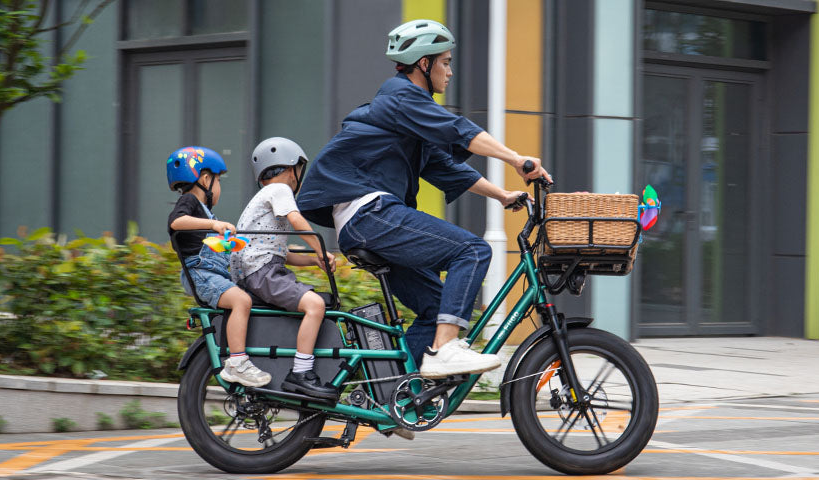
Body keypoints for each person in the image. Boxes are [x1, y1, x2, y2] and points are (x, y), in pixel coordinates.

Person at [296, 19, 552, 379]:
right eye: (445, 62)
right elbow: (457, 130)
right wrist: (517, 160)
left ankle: (399, 394)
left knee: (434, 308)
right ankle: (444, 349)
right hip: (369, 215)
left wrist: (501, 195)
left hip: (368, 223)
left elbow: (445, 167)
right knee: (473, 250)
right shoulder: (400, 97)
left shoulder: (408, 117)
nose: (449, 72)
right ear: (424, 64)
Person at [230, 137, 339, 400]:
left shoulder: (263, 196)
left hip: (259, 271)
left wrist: (314, 260)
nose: (299, 177)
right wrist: (320, 248)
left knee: (317, 301)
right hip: (263, 273)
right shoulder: (279, 190)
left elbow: (281, 253)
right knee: (315, 305)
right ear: (291, 168)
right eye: (300, 170)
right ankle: (300, 373)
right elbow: (297, 220)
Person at [166, 146, 273, 387]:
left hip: (211, 273)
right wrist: (214, 227)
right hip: (201, 273)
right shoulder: (190, 201)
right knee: (241, 301)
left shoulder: (205, 214)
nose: (219, 187)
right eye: (218, 180)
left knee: (246, 299)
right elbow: (176, 222)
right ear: (205, 179)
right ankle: (237, 363)